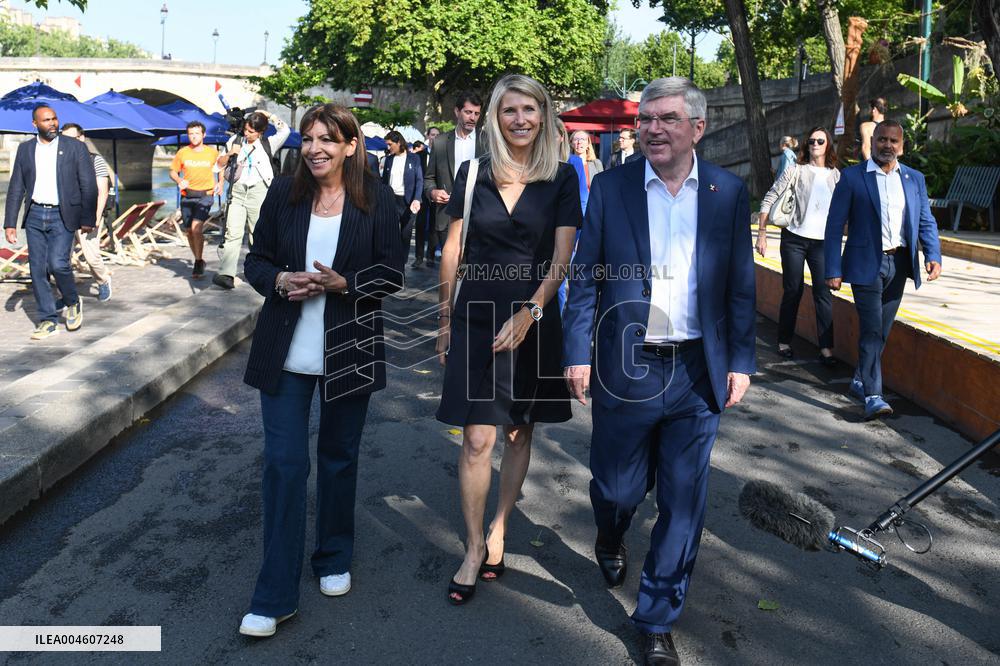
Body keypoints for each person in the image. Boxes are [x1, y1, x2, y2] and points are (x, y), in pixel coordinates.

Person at [562, 77, 756, 665]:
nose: (651, 129)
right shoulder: (613, 188)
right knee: (618, 485)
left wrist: (742, 360)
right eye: (646, 119)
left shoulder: (727, 191)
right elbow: (584, 276)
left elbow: (741, 286)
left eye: (667, 118)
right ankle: (612, 527)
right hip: (628, 363)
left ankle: (655, 619)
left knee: (684, 499)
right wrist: (577, 351)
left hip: (698, 369)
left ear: (697, 127)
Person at [238, 103, 404, 638]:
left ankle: (333, 557)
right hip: (284, 351)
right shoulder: (283, 192)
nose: (316, 148)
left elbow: (392, 273)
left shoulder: (376, 198)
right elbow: (255, 262)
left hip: (348, 346)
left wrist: (345, 285)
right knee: (284, 467)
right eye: (309, 138)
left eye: (329, 139)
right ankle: (275, 593)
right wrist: (281, 279)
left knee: (338, 459)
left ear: (351, 146)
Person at [435, 74, 580, 605]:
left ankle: (499, 527)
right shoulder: (473, 173)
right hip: (475, 311)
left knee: (519, 432)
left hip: (534, 314)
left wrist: (530, 312)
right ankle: (473, 548)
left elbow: (562, 258)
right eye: (509, 110)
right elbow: (453, 248)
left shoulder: (561, 178)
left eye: (530, 109)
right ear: (494, 117)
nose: (520, 119)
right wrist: (445, 318)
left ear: (544, 116)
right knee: (477, 437)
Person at [824, 119, 941, 420]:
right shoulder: (852, 178)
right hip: (866, 264)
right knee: (872, 329)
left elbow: (925, 220)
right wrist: (832, 268)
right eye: (882, 140)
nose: (887, 145)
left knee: (883, 329)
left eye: (894, 141)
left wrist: (933, 253)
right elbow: (834, 226)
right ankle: (874, 395)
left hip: (900, 262)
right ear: (872, 141)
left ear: (902, 146)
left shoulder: (914, 179)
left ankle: (861, 379)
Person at [3, 105, 97, 340]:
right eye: (46, 120)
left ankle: (72, 301)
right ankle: (48, 320)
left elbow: (89, 185)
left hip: (63, 214)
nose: (53, 123)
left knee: (58, 264)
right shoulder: (25, 150)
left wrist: (88, 218)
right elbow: (16, 186)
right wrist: (9, 223)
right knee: (37, 270)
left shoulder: (75, 147)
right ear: (35, 124)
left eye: (54, 119)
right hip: (34, 215)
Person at [756, 127, 840, 364]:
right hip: (794, 239)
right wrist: (762, 233)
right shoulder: (795, 170)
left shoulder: (836, 175)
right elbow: (770, 197)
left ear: (827, 145)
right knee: (793, 290)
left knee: (823, 294)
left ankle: (826, 348)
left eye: (820, 141)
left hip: (822, 244)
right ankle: (784, 341)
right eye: (811, 140)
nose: (815, 144)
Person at [212, 110, 290, 289]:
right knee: (233, 233)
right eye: (246, 129)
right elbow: (218, 165)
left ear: (261, 132)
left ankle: (259, 271)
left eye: (251, 131)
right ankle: (226, 274)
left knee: (258, 232)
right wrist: (231, 153)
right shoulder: (235, 141)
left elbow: (284, 130)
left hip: (259, 192)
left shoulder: (268, 143)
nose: (247, 134)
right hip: (237, 191)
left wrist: (269, 115)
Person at [424, 91, 484, 270]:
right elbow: (429, 178)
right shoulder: (441, 142)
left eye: (476, 113)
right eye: (468, 112)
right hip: (447, 215)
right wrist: (432, 192)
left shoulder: (487, 141)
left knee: (474, 271)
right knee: (450, 270)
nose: (472, 117)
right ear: (457, 112)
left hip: (480, 216)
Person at [60, 123, 113, 302]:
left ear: (81, 138)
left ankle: (103, 280)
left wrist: (96, 217)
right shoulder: (60, 160)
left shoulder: (94, 160)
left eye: (72, 139)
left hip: (87, 215)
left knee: (91, 256)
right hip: (65, 216)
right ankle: (66, 294)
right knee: (60, 259)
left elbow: (102, 191)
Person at [170, 121, 221, 279]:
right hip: (187, 196)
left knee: (196, 228)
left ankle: (198, 261)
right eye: (191, 133)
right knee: (189, 231)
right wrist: (179, 181)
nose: (194, 136)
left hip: (206, 195)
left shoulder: (212, 153)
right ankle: (198, 259)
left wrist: (220, 183)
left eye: (197, 133)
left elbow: (221, 168)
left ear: (203, 135)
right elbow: (172, 171)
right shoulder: (182, 152)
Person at [381, 129, 423, 239]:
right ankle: (391, 256)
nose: (388, 148)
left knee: (405, 236)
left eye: (390, 144)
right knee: (390, 235)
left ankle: (403, 257)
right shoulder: (389, 160)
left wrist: (417, 199)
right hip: (391, 201)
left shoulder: (414, 158)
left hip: (407, 202)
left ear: (399, 142)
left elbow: (419, 180)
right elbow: (384, 182)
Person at [858, 97, 887, 161]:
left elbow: (866, 148)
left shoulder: (866, 126)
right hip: (887, 166)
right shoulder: (891, 126)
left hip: (871, 164)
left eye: (870, 108)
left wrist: (871, 167)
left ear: (874, 109)